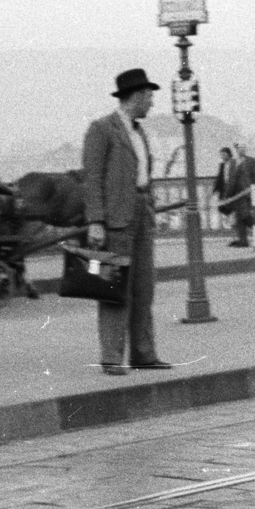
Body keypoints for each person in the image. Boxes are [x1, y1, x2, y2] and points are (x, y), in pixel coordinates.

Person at [82, 68, 173, 376]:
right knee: (114, 289)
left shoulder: (139, 132)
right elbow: (92, 178)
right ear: (135, 97)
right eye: (149, 96)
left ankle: (143, 354)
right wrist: (96, 221)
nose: (152, 103)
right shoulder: (102, 130)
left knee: (144, 288)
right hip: (116, 219)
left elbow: (142, 174)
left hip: (141, 214)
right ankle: (111, 357)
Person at [212, 145, 255, 247]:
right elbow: (226, 179)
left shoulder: (235, 163)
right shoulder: (234, 162)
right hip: (238, 193)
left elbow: (232, 180)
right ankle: (243, 240)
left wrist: (226, 196)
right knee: (240, 217)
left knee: (245, 216)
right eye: (238, 148)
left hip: (240, 193)